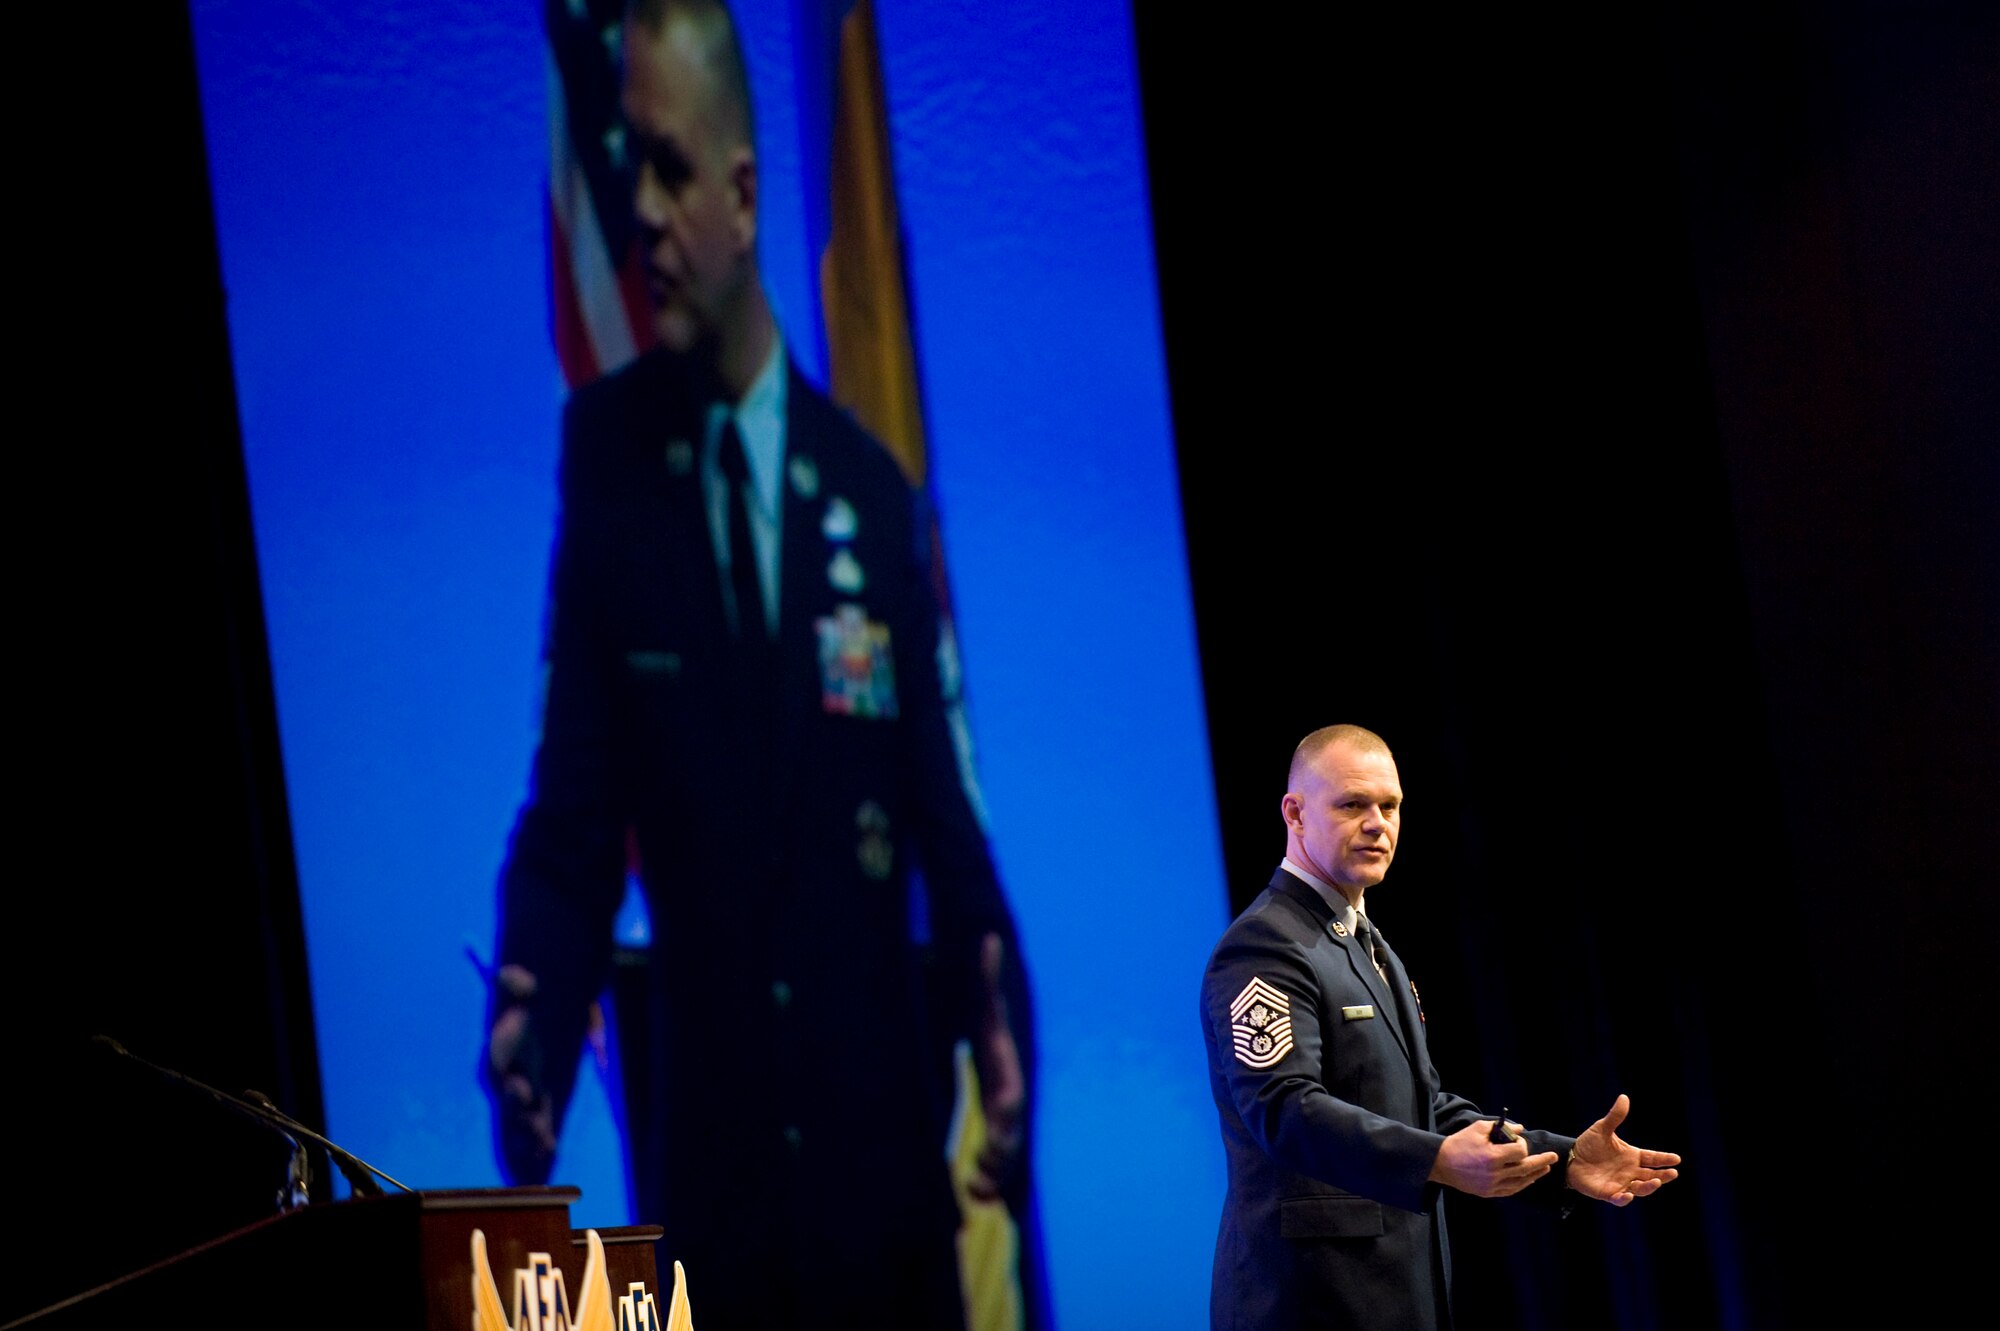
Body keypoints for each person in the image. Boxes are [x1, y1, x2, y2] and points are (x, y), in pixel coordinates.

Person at [484, 2, 1029, 1325]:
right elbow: (572, 812)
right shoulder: (609, 470)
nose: (642, 213)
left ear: (740, 191)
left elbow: (939, 814)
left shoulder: (868, 486)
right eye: (624, 170)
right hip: (717, 1203)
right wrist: (534, 1013)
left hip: (885, 1191)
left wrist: (1000, 1022)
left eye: (668, 170)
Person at [1199, 724, 1680, 1330]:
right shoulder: (1265, 945)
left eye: (1390, 806)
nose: (1378, 823)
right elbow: (1283, 1108)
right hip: (1310, 1298)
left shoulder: (1367, 945)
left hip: (1397, 1293)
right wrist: (1436, 1159)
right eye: (1352, 804)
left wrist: (1562, 1162)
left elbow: (1426, 1107)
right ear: (1294, 813)